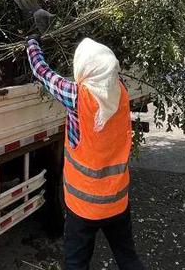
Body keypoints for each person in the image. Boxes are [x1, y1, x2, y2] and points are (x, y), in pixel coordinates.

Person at [26, 37, 144, 270]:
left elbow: (43, 72)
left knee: (76, 263)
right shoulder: (120, 93)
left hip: (83, 206)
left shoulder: (78, 97)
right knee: (128, 258)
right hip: (117, 202)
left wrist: (32, 43)